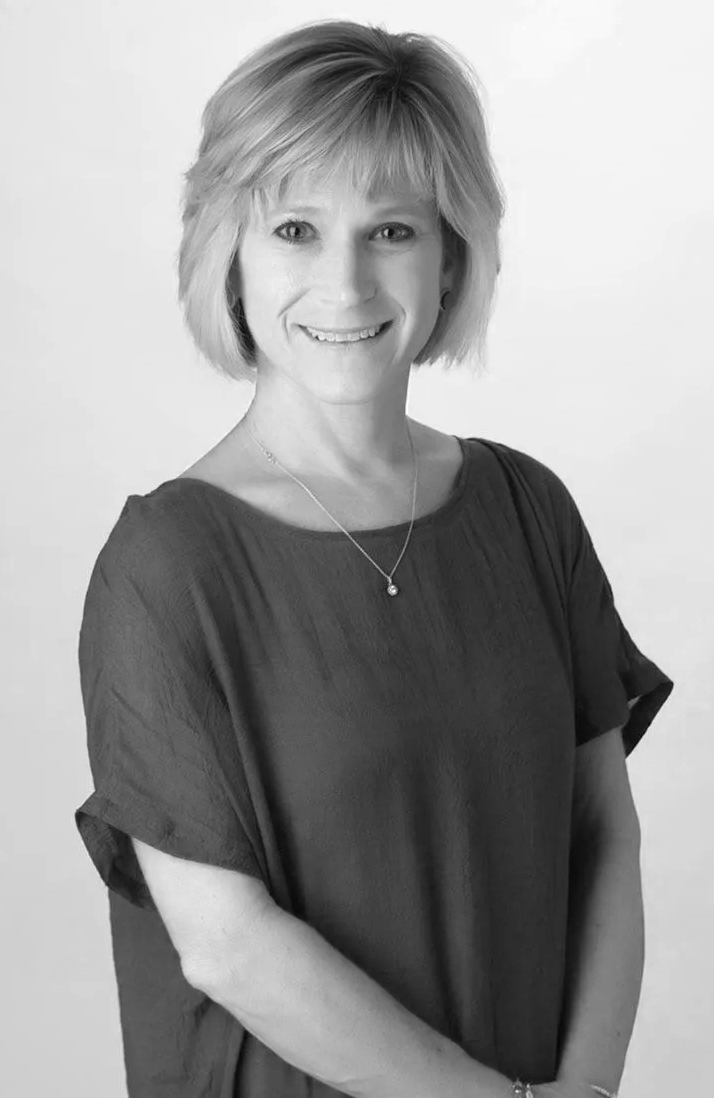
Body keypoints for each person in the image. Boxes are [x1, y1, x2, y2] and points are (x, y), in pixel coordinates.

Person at [74, 18, 674, 1098]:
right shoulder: (164, 567)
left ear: (451, 257)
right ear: (228, 256)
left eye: (391, 230)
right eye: (295, 229)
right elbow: (225, 945)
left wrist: (582, 1093)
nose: (345, 283)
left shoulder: (529, 512)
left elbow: (603, 835)